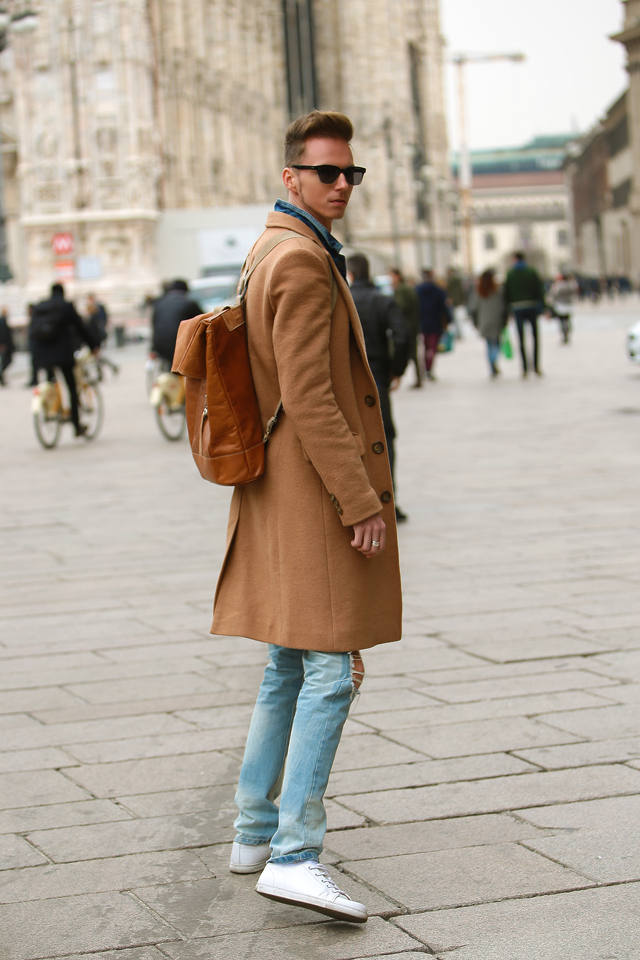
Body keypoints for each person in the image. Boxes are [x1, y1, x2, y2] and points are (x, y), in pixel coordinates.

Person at [214, 110, 401, 923]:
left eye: (349, 173)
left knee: (289, 663)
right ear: (290, 178)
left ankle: (254, 831)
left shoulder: (277, 249)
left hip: (287, 492)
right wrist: (359, 500)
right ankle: (294, 854)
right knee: (333, 669)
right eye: (325, 172)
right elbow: (313, 394)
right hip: (315, 495)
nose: (340, 185)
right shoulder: (297, 261)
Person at [348, 254, 410, 522]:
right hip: (377, 375)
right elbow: (403, 335)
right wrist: (396, 369)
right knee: (384, 437)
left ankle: (360, 500)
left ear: (349, 274)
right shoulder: (382, 300)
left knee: (353, 437)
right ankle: (389, 500)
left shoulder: (342, 301)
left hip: (348, 376)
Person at [30, 283, 99, 436]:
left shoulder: (40, 307)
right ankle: (76, 425)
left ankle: (51, 410)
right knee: (71, 388)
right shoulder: (65, 306)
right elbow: (81, 328)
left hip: (43, 354)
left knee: (50, 381)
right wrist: (93, 346)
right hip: (63, 354)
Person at [504, 252, 546, 377]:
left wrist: (507, 310)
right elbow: (539, 290)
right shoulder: (531, 272)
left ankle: (524, 368)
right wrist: (543, 306)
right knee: (535, 337)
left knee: (521, 339)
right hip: (532, 306)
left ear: (515, 259)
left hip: (517, 308)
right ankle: (536, 366)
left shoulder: (511, 274)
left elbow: (507, 293)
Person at [150, 279, 202, 368]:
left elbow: (154, 326)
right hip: (179, 343)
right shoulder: (189, 303)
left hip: (159, 345)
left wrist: (152, 349)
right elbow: (203, 321)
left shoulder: (158, 304)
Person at [468, 269, 507, 378]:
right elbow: (503, 307)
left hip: (484, 321)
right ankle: (494, 360)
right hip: (496, 320)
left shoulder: (478, 291)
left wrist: (475, 322)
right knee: (498, 343)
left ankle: (491, 365)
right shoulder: (498, 290)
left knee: (489, 344)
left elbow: (473, 308)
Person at [390, 267, 421, 387]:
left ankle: (399, 377)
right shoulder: (405, 288)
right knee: (413, 354)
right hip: (411, 325)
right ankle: (417, 379)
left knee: (408, 353)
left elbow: (400, 306)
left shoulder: (402, 290)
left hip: (407, 326)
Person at [416, 268, 448, 380]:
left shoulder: (417, 290)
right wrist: (447, 321)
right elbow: (443, 308)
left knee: (425, 346)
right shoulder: (438, 291)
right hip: (435, 322)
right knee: (433, 347)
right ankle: (429, 368)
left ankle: (425, 367)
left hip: (423, 322)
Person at [85, 294, 119, 376]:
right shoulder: (94, 318)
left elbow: (95, 332)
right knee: (97, 358)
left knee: (97, 358)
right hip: (96, 340)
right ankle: (102, 373)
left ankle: (109, 369)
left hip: (96, 341)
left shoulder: (94, 318)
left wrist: (96, 344)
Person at [549, 273, 577, 344]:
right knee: (566, 320)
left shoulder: (557, 286)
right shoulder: (569, 285)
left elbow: (553, 295)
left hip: (560, 305)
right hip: (567, 305)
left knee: (562, 321)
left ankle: (564, 334)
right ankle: (566, 334)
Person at [446, 266, 466, 340]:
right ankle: (458, 333)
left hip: (454, 302)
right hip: (455, 301)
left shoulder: (452, 280)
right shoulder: (454, 280)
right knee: (455, 319)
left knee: (455, 318)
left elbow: (455, 291)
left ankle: (458, 333)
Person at [0, 307, 15, 386]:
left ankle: (2, 376)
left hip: (6, 344)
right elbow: (2, 333)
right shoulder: (2, 320)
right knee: (6, 360)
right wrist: (2, 344)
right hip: (5, 345)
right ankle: (1, 375)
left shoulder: (4, 320)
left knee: (5, 361)